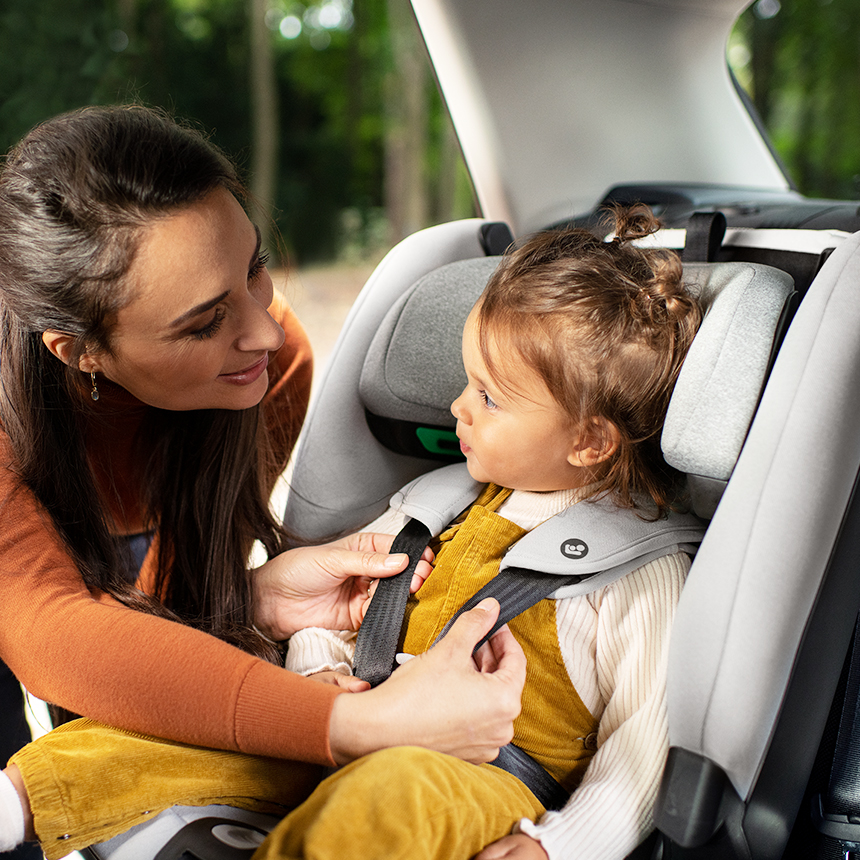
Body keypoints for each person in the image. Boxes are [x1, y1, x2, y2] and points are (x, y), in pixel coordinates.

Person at [3, 204, 702, 860]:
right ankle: (12, 806)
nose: (457, 404)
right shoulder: (435, 504)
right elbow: (339, 617)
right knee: (138, 740)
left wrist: (564, 845)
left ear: (588, 441)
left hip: (478, 776)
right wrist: (317, 675)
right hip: (360, 720)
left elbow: (644, 745)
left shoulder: (637, 568)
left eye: (488, 396)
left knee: (387, 800)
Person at [0, 105, 526, 853]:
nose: (268, 331)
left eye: (254, 268)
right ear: (79, 351)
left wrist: (252, 600)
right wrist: (357, 728)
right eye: (203, 322)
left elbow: (154, 634)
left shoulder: (270, 369)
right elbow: (56, 632)